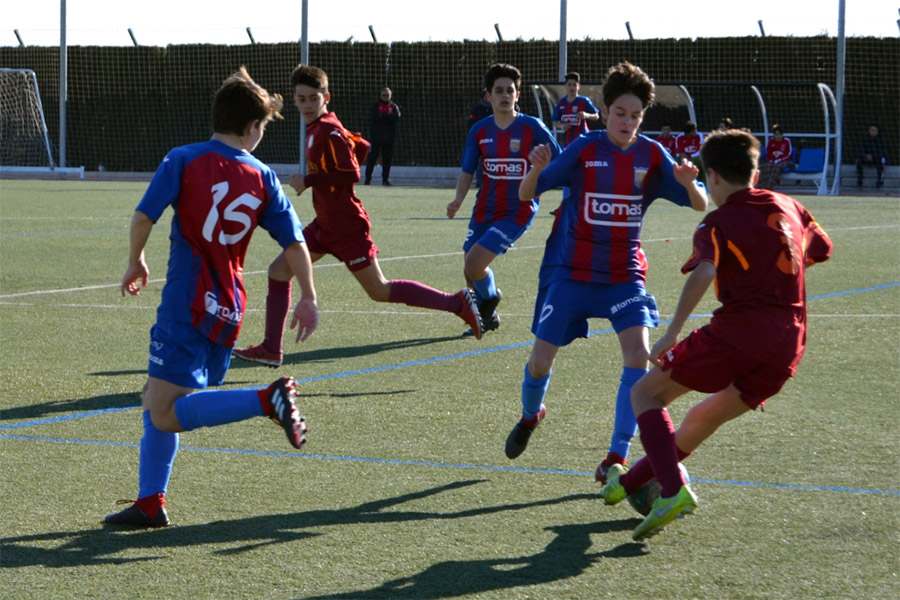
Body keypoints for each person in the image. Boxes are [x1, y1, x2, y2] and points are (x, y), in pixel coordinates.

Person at [105, 66, 319, 528]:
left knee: (165, 411)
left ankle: (266, 400)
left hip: (186, 302)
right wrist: (308, 295)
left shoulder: (183, 158)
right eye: (264, 127)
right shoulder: (263, 176)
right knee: (156, 395)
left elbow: (143, 217)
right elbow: (295, 243)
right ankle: (150, 501)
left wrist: (136, 261)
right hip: (229, 305)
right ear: (251, 127)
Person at [599, 129, 833, 541]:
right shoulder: (791, 206)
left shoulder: (716, 222)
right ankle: (627, 484)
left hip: (740, 332)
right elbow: (821, 248)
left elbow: (705, 270)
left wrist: (672, 332)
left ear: (713, 177)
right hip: (790, 342)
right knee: (701, 419)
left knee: (645, 394)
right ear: (755, 174)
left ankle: (672, 490)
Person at [504, 62, 708, 480]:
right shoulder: (585, 148)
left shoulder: (652, 154)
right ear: (605, 111)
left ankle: (617, 455)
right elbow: (527, 193)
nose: (627, 122)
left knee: (638, 357)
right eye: (619, 113)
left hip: (624, 276)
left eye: (635, 115)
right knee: (540, 362)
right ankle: (530, 414)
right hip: (572, 273)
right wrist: (536, 168)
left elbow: (701, 203)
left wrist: (689, 182)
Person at [233, 64, 482, 367]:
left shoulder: (328, 129)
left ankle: (457, 303)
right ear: (295, 100)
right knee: (278, 270)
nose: (308, 105)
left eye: (314, 98)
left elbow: (352, 172)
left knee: (380, 290)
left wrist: (309, 180)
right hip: (325, 225)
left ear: (326, 97)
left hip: (346, 227)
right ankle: (272, 348)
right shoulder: (321, 127)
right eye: (302, 99)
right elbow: (361, 146)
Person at [446, 64, 560, 336]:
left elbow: (561, 160)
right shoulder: (479, 131)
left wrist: (552, 185)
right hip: (484, 208)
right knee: (469, 267)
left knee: (475, 263)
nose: (505, 95)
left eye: (510, 91)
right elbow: (467, 169)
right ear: (488, 96)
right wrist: (458, 200)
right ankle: (489, 315)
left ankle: (490, 301)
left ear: (517, 95)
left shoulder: (533, 127)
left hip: (517, 211)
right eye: (499, 91)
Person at [551, 72, 600, 147]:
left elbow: (596, 116)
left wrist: (586, 115)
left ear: (579, 86)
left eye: (574, 85)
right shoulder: (561, 103)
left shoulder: (584, 101)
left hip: (583, 139)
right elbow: (554, 121)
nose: (572, 87)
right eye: (569, 85)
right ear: (565, 86)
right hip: (568, 141)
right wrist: (561, 126)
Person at [364, 87, 401, 186]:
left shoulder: (393, 107)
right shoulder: (376, 106)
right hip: (376, 138)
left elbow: (396, 117)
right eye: (383, 95)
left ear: (390, 96)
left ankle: (385, 180)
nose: (385, 97)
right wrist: (387, 118)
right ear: (380, 96)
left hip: (388, 138)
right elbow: (375, 118)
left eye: (387, 95)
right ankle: (368, 180)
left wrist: (383, 116)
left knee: (387, 160)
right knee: (372, 158)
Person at [757, 124, 793, 189]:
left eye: (780, 134)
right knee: (765, 166)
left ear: (782, 134)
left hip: (784, 161)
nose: (778, 136)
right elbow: (768, 152)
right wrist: (771, 160)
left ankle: (769, 187)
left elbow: (788, 153)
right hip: (772, 161)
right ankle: (761, 186)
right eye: (776, 134)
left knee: (776, 167)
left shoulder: (787, 141)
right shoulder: (771, 141)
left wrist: (780, 159)